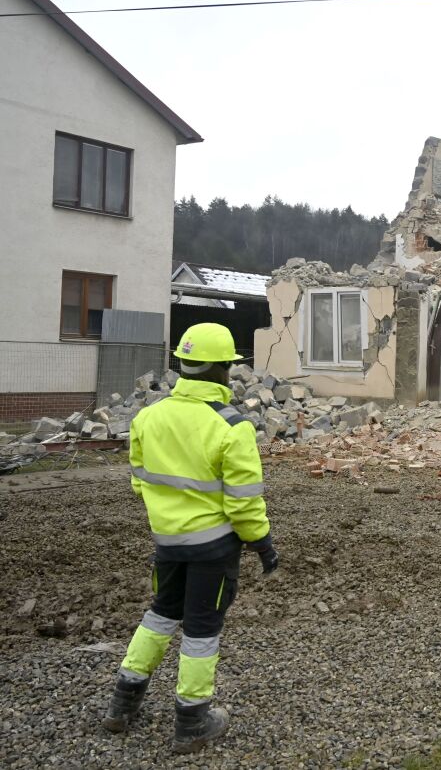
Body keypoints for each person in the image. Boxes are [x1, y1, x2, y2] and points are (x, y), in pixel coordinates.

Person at [101, 323, 278, 754]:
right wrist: (262, 543)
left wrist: (170, 516)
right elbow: (243, 502)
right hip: (213, 550)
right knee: (201, 629)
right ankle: (192, 721)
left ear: (183, 365)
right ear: (221, 370)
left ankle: (122, 704)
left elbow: (141, 482)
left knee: (160, 614)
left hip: (167, 542)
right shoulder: (231, 426)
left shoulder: (148, 417)